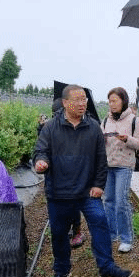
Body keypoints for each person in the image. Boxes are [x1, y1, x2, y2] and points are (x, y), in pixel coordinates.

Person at [33, 84, 133, 277]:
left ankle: (106, 267)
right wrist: (40, 162)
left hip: (87, 192)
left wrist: (98, 185)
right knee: (59, 232)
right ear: (65, 103)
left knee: (100, 223)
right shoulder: (50, 127)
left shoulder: (94, 127)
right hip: (58, 192)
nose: (82, 103)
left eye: (84, 99)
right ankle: (62, 269)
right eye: (77, 100)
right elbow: (40, 151)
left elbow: (100, 160)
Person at [101, 86, 139, 253]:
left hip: (124, 166)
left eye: (115, 101)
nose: (112, 104)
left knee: (121, 202)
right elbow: (100, 141)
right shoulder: (106, 120)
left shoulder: (133, 120)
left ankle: (126, 239)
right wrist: (103, 139)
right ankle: (112, 235)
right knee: (109, 201)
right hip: (108, 165)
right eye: (110, 101)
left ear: (123, 101)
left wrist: (127, 139)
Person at [41, 97, 85, 248]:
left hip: (72, 175)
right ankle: (63, 231)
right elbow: (41, 148)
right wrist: (41, 129)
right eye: (54, 114)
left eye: (59, 113)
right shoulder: (49, 127)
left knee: (73, 205)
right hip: (53, 174)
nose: (57, 116)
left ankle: (77, 231)